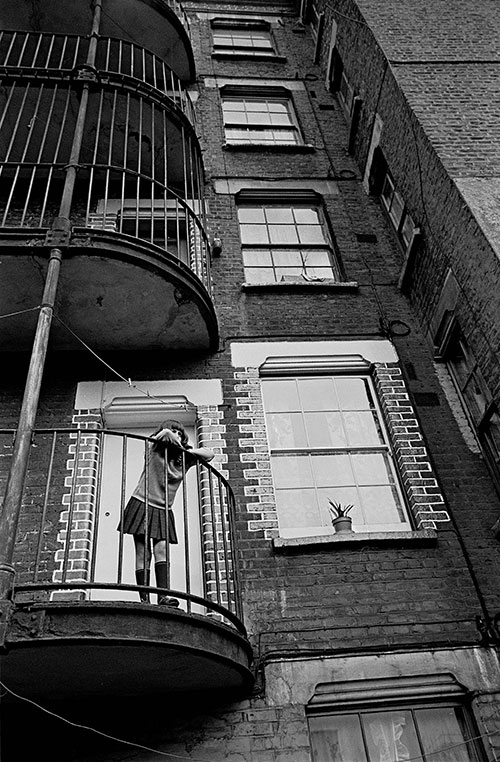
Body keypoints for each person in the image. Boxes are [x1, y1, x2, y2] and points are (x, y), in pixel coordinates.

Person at [117, 419, 214, 606]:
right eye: (173, 431)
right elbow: (164, 435)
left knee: (161, 550)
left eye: (180, 433)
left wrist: (186, 451)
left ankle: (162, 596)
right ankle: (144, 599)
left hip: (163, 509)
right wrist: (172, 438)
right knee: (143, 553)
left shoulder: (183, 459)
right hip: (142, 503)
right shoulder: (155, 449)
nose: (175, 434)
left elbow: (209, 454)